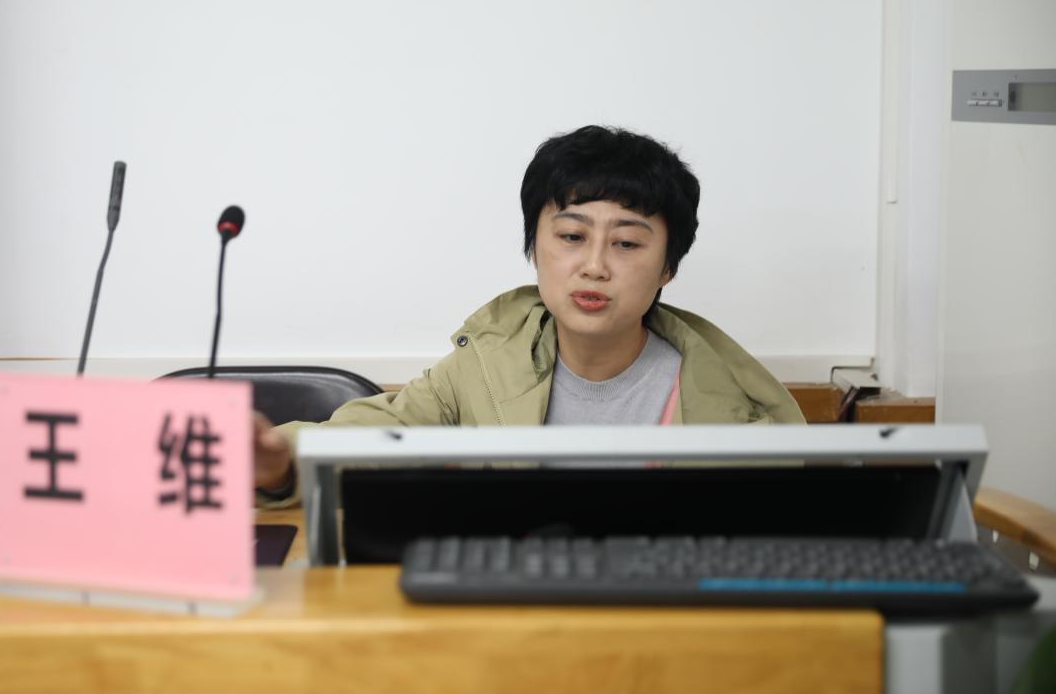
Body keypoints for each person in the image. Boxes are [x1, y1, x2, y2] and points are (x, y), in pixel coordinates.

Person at [253, 125, 805, 504]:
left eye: (627, 244)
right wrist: (279, 464)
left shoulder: (734, 402)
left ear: (667, 268)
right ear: (534, 248)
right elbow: (375, 436)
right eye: (571, 236)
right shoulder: (484, 365)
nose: (594, 266)